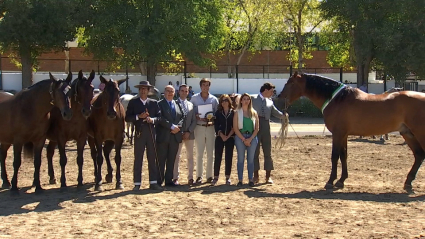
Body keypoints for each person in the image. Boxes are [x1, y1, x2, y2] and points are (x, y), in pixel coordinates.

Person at [125, 80, 162, 191]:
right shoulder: (133, 102)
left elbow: (159, 118)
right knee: (138, 158)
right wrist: (138, 117)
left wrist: (152, 119)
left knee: (152, 157)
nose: (143, 91)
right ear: (139, 90)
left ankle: (153, 182)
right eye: (141, 89)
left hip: (151, 132)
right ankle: (137, 183)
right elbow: (127, 117)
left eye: (145, 89)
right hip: (139, 133)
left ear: (148, 90)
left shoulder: (154, 103)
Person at [251, 82, 285, 184]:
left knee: (267, 152)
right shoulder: (252, 98)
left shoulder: (270, 102)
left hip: (266, 126)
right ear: (265, 90)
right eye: (271, 91)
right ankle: (255, 176)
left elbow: (276, 113)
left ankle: (268, 177)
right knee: (255, 152)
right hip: (254, 125)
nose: (272, 93)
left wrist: (284, 116)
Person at [190, 78, 219, 184]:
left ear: (209, 87)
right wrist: (196, 115)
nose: (205, 87)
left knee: (211, 153)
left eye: (207, 85)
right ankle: (199, 176)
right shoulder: (194, 99)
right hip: (199, 127)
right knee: (199, 153)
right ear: (200, 86)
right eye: (203, 85)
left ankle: (209, 176)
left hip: (210, 127)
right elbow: (190, 112)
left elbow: (217, 113)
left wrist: (212, 117)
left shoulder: (214, 99)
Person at [156, 85, 185, 187]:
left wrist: (178, 126)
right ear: (164, 92)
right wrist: (171, 126)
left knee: (171, 159)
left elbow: (182, 116)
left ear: (174, 93)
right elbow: (160, 118)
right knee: (161, 159)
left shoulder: (177, 104)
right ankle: (159, 181)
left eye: (172, 91)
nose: (170, 93)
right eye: (168, 91)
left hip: (175, 137)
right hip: (163, 136)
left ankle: (168, 180)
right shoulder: (159, 104)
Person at [173, 84, 197, 186]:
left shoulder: (191, 105)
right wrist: (180, 131)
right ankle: (175, 177)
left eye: (186, 91)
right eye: (182, 91)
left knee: (190, 156)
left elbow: (194, 120)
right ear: (179, 92)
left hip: (189, 135)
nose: (184, 92)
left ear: (188, 92)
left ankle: (190, 177)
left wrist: (189, 131)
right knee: (176, 156)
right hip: (177, 134)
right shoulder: (174, 103)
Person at [233, 93, 259, 187]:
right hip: (241, 137)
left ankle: (250, 179)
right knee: (240, 159)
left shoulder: (254, 113)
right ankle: (240, 179)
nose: (246, 101)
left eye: (248, 99)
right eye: (244, 99)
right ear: (241, 100)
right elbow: (235, 128)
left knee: (250, 160)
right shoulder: (237, 112)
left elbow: (256, 129)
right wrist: (244, 139)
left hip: (252, 137)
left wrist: (250, 139)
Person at [212, 94, 235, 186]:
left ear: (229, 101)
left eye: (226, 100)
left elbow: (234, 126)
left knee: (229, 157)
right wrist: (221, 135)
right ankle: (216, 176)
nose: (224, 102)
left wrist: (228, 136)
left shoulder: (233, 112)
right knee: (218, 157)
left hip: (230, 138)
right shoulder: (218, 113)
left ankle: (227, 177)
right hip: (219, 137)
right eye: (222, 101)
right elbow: (216, 125)